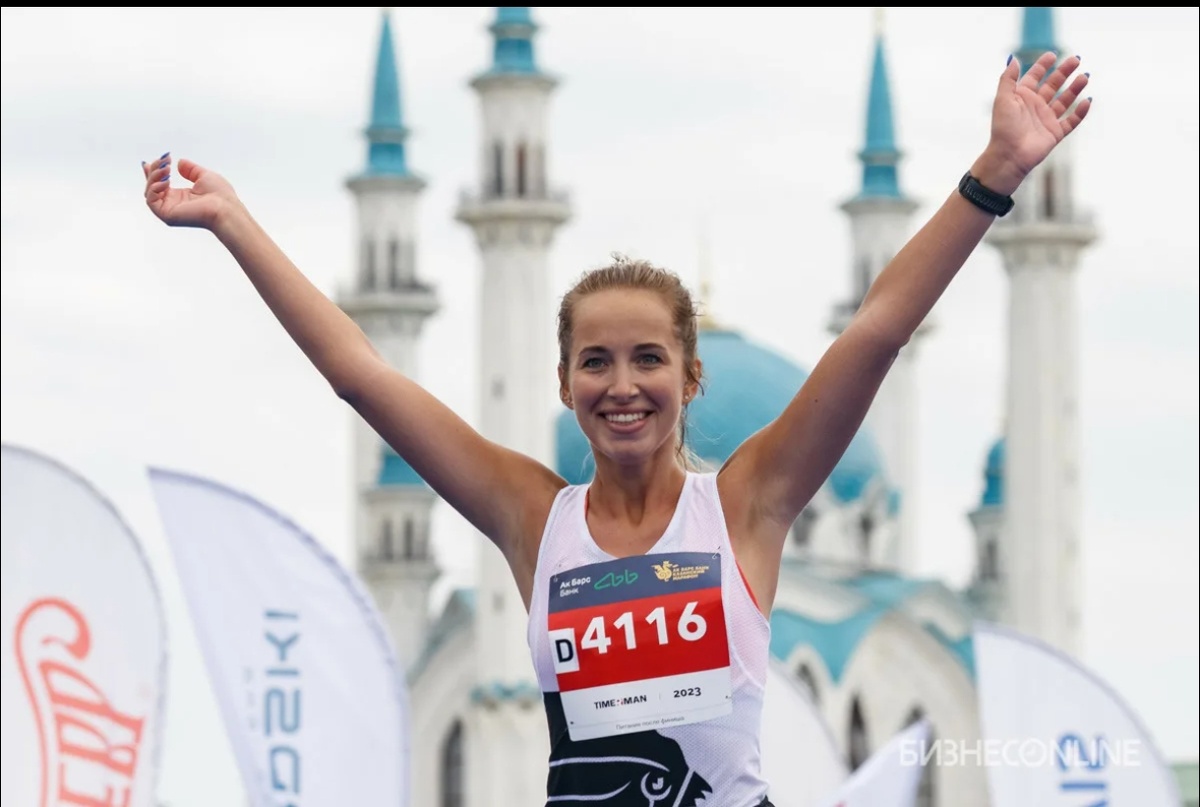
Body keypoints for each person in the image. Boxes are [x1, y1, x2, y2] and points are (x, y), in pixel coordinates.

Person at [141, 50, 1090, 807]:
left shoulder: (747, 506)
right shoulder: (533, 519)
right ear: (564, 382)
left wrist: (996, 171)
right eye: (596, 361)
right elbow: (361, 374)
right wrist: (234, 222)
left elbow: (877, 330)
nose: (623, 385)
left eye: (648, 359)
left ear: (690, 376)